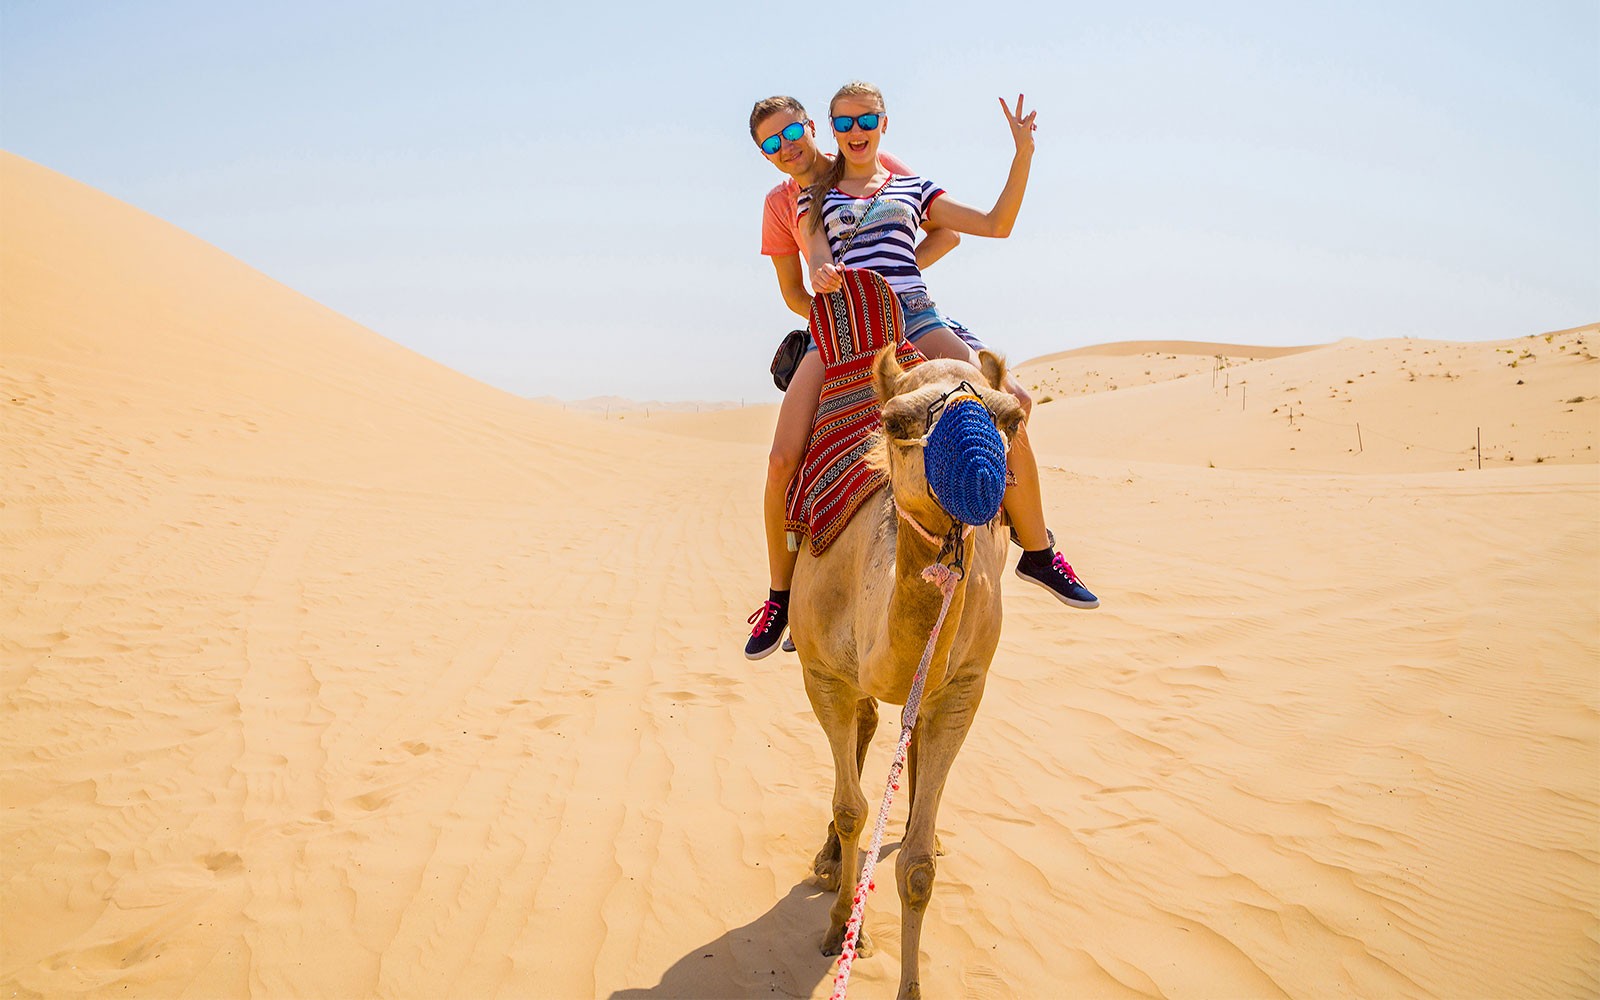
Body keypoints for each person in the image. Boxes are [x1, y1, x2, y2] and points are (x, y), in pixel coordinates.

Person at [743, 87, 1098, 660]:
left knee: (1012, 404)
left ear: (823, 126)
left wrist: (1022, 153)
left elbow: (973, 227)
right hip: (837, 321)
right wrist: (835, 286)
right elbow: (806, 272)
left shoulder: (896, 177)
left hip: (914, 315)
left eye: (791, 133)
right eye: (772, 145)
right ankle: (780, 596)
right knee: (784, 458)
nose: (786, 147)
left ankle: (1033, 546)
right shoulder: (802, 198)